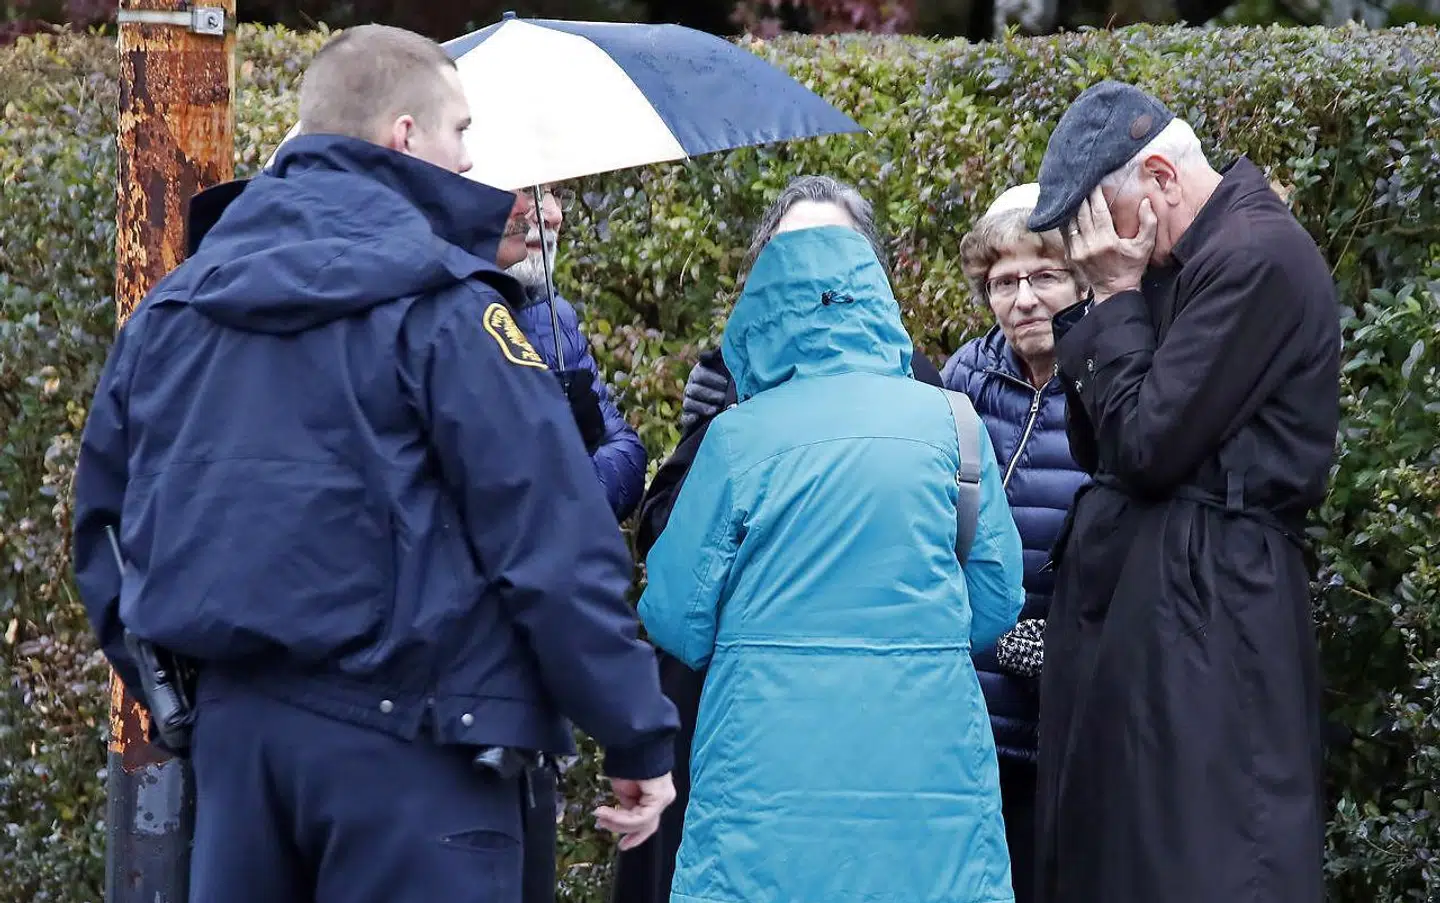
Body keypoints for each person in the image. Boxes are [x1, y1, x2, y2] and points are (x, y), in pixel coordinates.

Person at [70, 25, 678, 903]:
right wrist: (636, 735)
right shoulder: (447, 311)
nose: (470, 160)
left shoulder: (171, 312)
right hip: (421, 757)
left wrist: (190, 701)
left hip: (240, 759)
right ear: (405, 135)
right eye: (462, 131)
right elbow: (551, 540)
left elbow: (106, 534)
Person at [635, 176, 1027, 903]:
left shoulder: (735, 437)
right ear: (871, 282)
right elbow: (998, 600)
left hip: (762, 777)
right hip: (927, 776)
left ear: (764, 290)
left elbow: (674, 621)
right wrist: (917, 632)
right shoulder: (955, 423)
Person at [1025, 81, 1340, 903]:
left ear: (1160, 177)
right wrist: (1109, 304)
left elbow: (1148, 443)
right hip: (1163, 605)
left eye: (1103, 217)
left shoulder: (1253, 257)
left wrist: (1118, 299)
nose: (1095, 247)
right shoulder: (1186, 257)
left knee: (1201, 861)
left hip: (1214, 610)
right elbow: (1104, 444)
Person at [940, 181, 1092, 903]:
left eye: (1045, 276)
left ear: (1080, 279)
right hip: (970, 700)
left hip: (1076, 705)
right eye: (1004, 282)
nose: (1024, 298)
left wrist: (1061, 640)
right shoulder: (964, 380)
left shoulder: (1110, 373)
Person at [503, 184, 648, 521]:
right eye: (528, 190)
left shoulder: (552, 314)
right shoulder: (444, 321)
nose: (553, 213)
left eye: (553, 193)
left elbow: (627, 455)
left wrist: (578, 474)